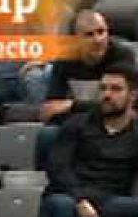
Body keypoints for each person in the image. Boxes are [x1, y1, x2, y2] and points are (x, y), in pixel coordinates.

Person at [41, 66, 138, 217]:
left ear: (133, 96)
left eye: (116, 89)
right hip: (70, 198)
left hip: (111, 202)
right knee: (59, 205)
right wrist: (81, 201)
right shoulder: (76, 124)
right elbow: (58, 170)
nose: (107, 95)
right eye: (103, 88)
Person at [37, 11, 136, 163]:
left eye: (101, 32)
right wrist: (76, 114)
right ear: (75, 40)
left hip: (117, 122)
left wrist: (73, 105)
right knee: (47, 134)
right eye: (89, 35)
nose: (98, 39)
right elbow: (53, 108)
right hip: (81, 123)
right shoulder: (65, 59)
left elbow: (124, 105)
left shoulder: (122, 56)